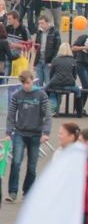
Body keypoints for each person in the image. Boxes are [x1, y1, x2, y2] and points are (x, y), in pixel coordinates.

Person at [5, 70, 51, 203]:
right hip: (20, 132)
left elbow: (47, 115)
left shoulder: (41, 95)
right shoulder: (17, 95)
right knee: (16, 162)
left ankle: (28, 192)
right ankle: (13, 192)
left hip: (36, 134)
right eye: (23, 83)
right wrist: (8, 133)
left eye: (28, 83)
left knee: (32, 165)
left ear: (33, 80)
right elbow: (11, 115)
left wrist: (46, 133)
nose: (26, 86)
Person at [33, 14, 61, 85]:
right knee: (38, 82)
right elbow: (36, 46)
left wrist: (52, 61)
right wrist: (34, 62)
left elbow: (57, 49)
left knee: (48, 82)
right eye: (39, 23)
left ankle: (48, 96)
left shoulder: (55, 32)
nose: (40, 25)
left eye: (42, 23)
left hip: (48, 61)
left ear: (48, 23)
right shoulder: (39, 32)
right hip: (39, 60)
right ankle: (39, 96)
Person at [71, 25, 88, 97]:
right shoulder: (84, 37)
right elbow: (73, 48)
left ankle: (80, 106)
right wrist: (85, 47)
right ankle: (78, 105)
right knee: (86, 87)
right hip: (80, 63)